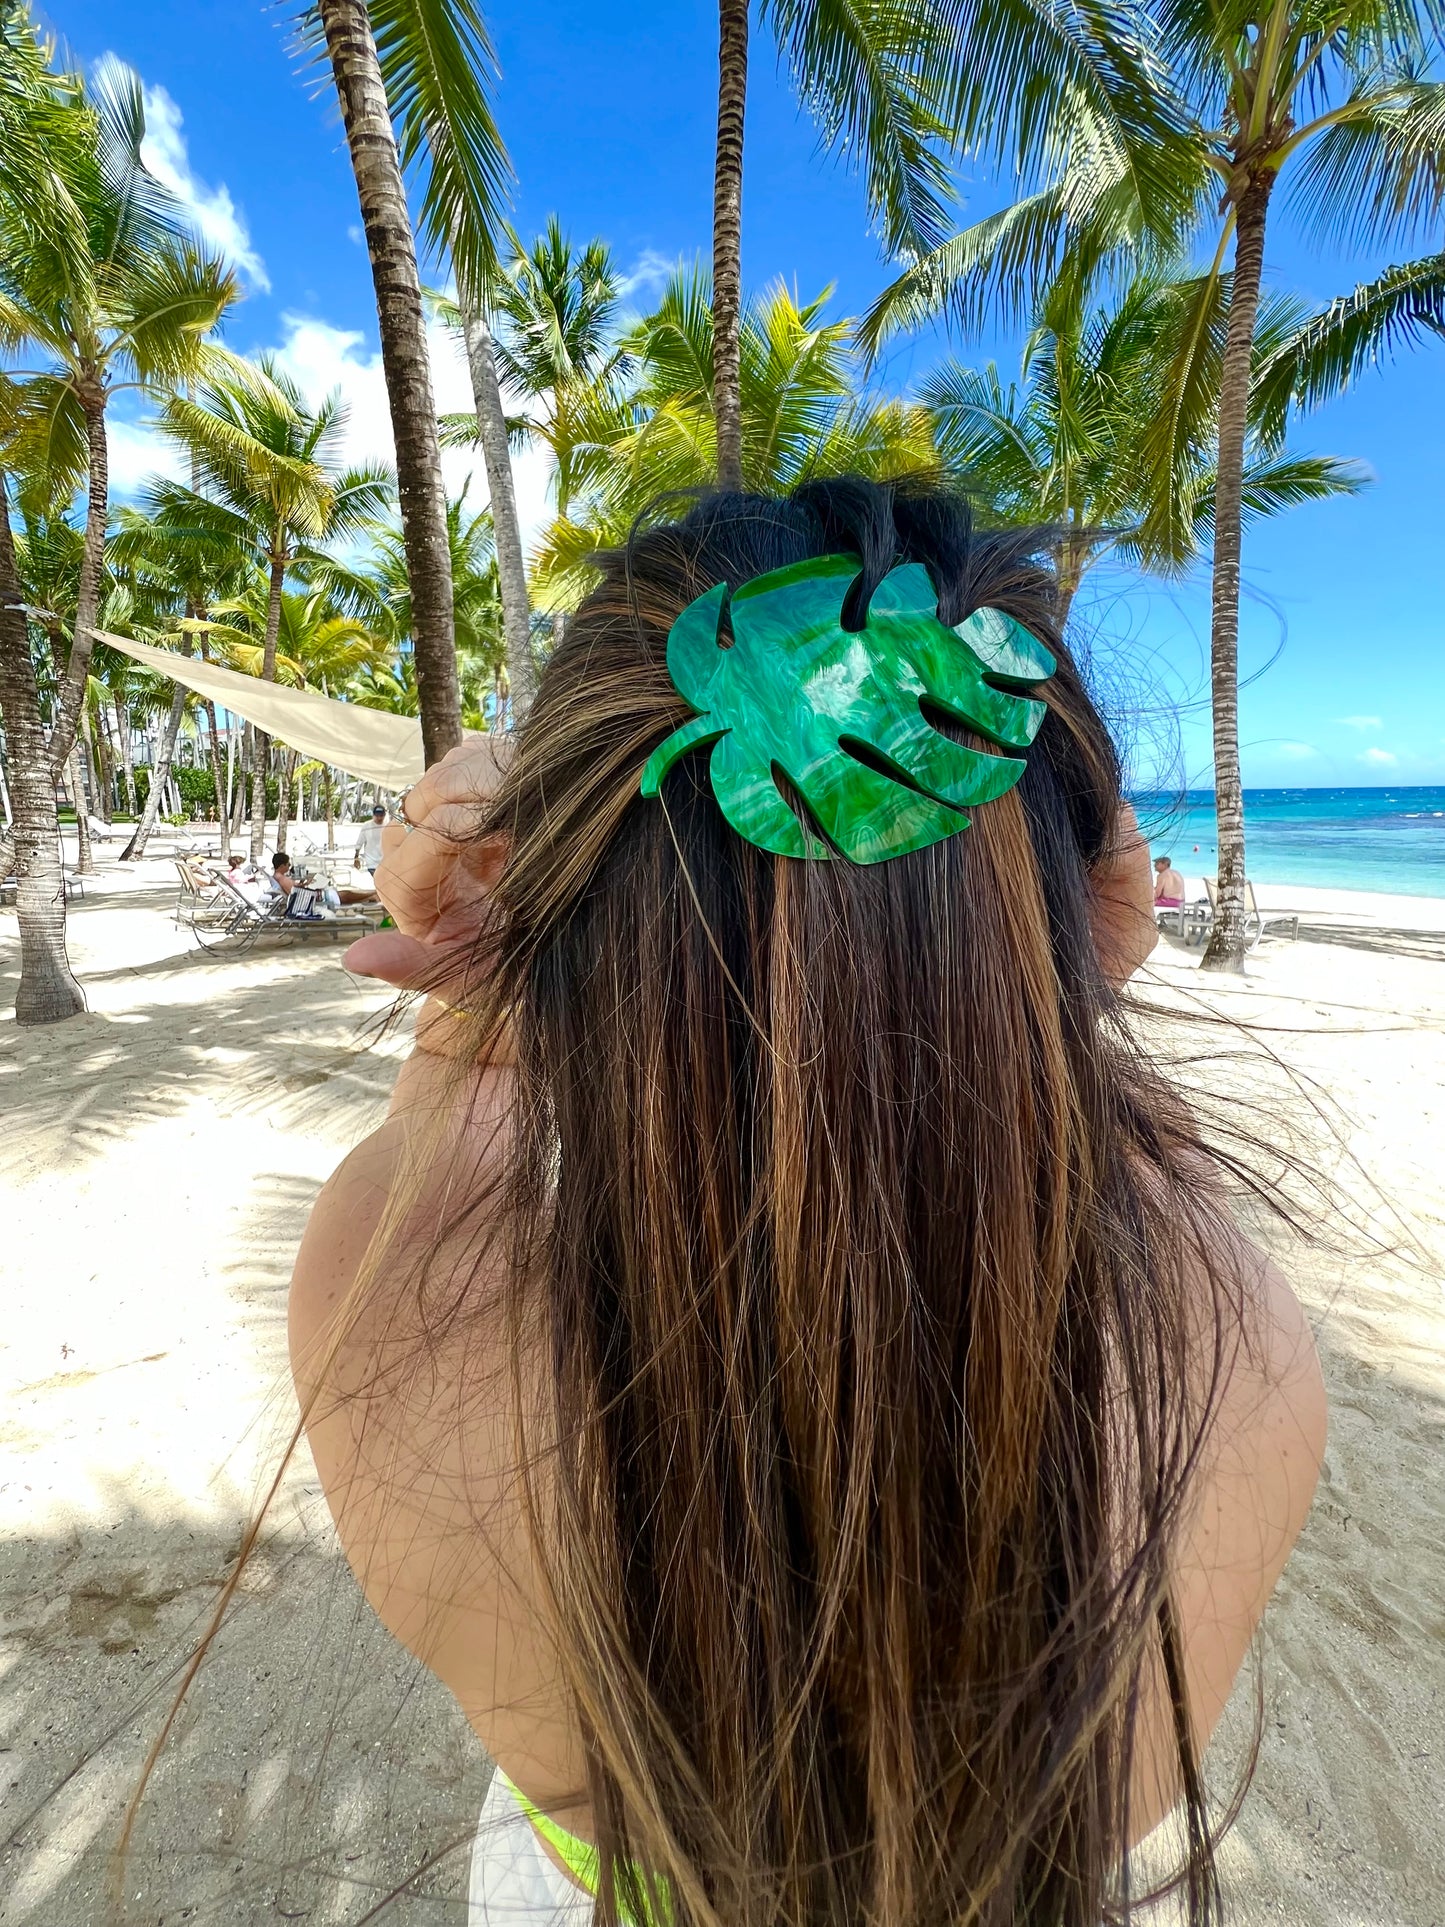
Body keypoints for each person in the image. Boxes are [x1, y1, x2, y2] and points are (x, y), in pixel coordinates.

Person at [289, 484, 1324, 1927]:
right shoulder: (1238, 1340)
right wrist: (1053, 998)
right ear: (1080, 898)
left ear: (550, 900)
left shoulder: (393, 1284)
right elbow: (1114, 1157)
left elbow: (460, 1117)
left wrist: (480, 994)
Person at [354, 803, 388, 875]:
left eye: (381, 816)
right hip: (371, 861)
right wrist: (356, 857)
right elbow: (359, 842)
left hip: (385, 861)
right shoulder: (367, 826)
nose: (379, 818)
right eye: (377, 816)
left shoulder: (388, 826)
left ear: (384, 815)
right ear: (373, 815)